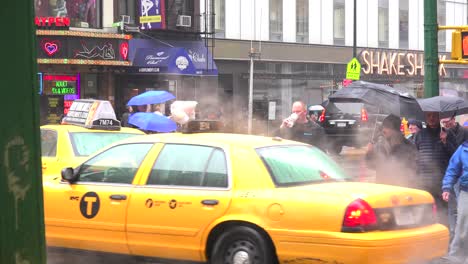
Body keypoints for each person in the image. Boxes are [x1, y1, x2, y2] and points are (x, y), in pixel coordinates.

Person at [414, 112, 451, 226]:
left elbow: (454, 156)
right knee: (425, 211)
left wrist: (446, 142)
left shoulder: (447, 133)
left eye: (434, 116)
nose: (432, 118)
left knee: (443, 213)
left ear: (439, 117)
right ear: (425, 117)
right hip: (424, 181)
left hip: (441, 181)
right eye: (429, 116)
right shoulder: (419, 135)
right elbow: (413, 156)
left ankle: (444, 235)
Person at [365, 114, 417, 187]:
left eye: (387, 127)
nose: (383, 130)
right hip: (383, 189)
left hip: (402, 189)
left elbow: (414, 171)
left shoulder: (408, 146)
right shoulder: (380, 145)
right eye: (383, 127)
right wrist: (369, 153)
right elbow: (372, 165)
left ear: (395, 130)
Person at [441, 115, 468, 244]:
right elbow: (453, 166)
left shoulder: (462, 135)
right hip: (463, 186)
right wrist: (446, 187)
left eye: (447, 121)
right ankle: (456, 252)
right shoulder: (462, 148)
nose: (445, 124)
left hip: (461, 184)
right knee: (460, 218)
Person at [441, 141, 468, 263]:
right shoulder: (463, 148)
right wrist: (447, 187)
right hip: (466, 192)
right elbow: (452, 169)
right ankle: (456, 257)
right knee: (463, 225)